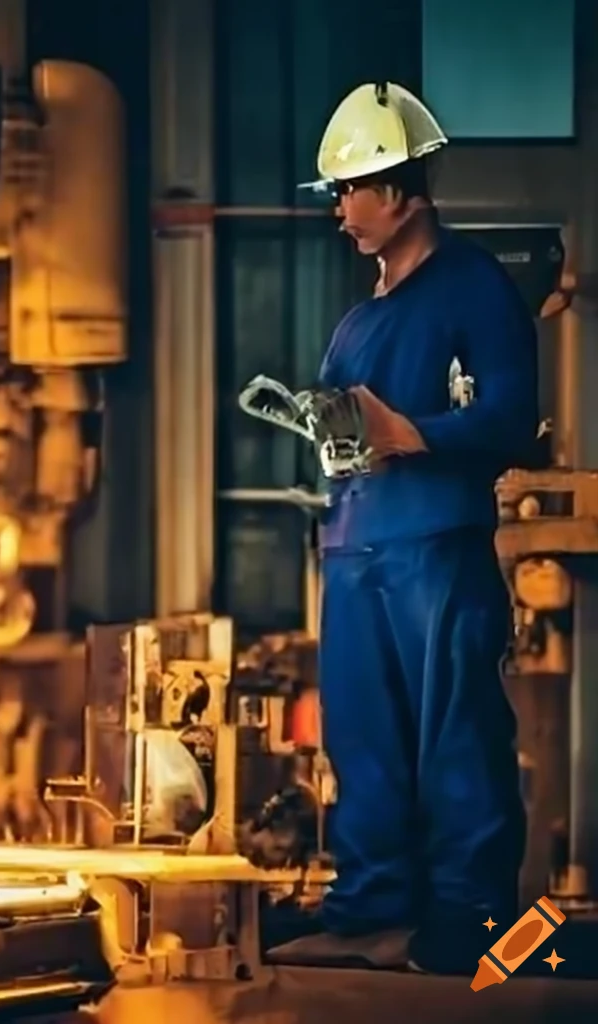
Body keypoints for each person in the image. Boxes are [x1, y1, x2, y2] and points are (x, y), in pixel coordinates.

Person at [290, 83, 538, 974]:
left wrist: (418, 433)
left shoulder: (472, 286)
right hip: (356, 551)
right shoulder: (357, 321)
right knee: (363, 740)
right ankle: (371, 912)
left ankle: (472, 921)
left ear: (398, 190)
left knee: (456, 735)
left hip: (436, 547)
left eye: (350, 193)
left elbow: (513, 414)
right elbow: (346, 435)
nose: (341, 214)